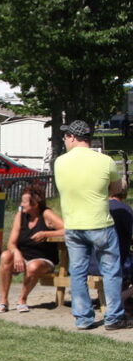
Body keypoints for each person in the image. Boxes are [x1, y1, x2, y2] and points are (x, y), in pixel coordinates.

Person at [53, 119, 130, 329]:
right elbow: (116, 188)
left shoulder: (60, 162)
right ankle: (113, 317)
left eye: (65, 136)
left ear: (72, 137)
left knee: (77, 272)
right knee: (111, 271)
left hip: (74, 224)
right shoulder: (105, 161)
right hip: (100, 223)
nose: (64, 140)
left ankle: (83, 318)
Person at [0, 184, 65, 313]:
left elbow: (67, 229)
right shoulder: (20, 215)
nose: (21, 204)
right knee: (5, 255)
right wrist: (16, 253)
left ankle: (22, 299)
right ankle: (3, 301)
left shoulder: (46, 214)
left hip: (43, 259)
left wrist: (46, 234)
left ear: (35, 204)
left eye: (24, 202)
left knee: (33, 266)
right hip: (23, 257)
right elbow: (11, 243)